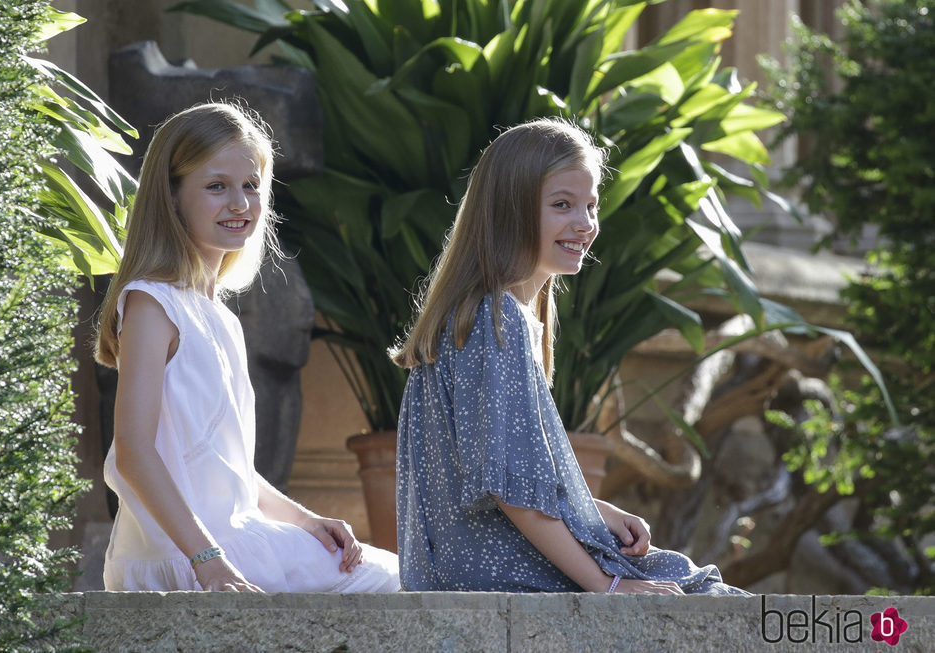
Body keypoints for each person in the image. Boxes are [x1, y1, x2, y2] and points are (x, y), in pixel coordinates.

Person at [391, 117, 747, 595]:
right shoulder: (496, 320)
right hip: (495, 572)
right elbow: (510, 493)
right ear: (508, 210)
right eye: (562, 205)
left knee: (685, 580)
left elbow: (509, 478)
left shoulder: (486, 315)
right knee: (699, 592)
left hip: (471, 566)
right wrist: (610, 586)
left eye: (591, 206)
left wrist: (596, 509)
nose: (585, 224)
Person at [95, 102, 399, 593]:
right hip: (186, 558)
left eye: (251, 185)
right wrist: (208, 561)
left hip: (226, 544)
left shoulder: (220, 318)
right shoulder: (153, 303)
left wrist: (307, 520)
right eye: (216, 186)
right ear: (171, 197)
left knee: (398, 578)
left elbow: (226, 472)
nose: (239, 203)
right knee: (399, 583)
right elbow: (133, 451)